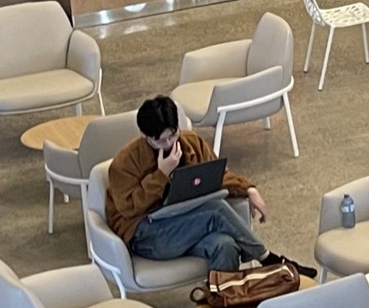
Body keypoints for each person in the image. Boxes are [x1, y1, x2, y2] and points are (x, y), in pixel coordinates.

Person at [104, 95, 272, 272]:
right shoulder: (125, 162)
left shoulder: (192, 142)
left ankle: (219, 298)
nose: (168, 144)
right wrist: (161, 175)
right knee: (216, 210)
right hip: (147, 234)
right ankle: (268, 259)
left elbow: (217, 176)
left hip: (188, 223)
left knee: (226, 246)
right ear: (145, 137)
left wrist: (248, 189)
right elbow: (128, 208)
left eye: (173, 135)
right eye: (160, 140)